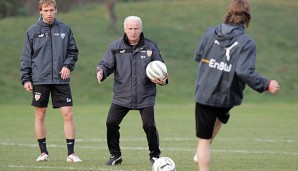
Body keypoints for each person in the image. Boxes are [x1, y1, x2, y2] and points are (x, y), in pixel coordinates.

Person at [193, 0, 280, 170]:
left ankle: (203, 150)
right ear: (247, 17)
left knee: (203, 142)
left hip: (205, 92)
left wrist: (215, 62)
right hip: (227, 96)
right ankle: (203, 150)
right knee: (218, 119)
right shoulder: (247, 42)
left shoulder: (211, 32)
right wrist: (267, 84)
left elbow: (199, 56)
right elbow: (244, 71)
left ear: (229, 12)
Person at [96, 16, 168, 166]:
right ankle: (115, 155)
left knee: (149, 125)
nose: (133, 32)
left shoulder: (150, 47)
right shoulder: (115, 46)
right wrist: (101, 71)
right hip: (122, 95)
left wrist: (163, 80)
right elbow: (106, 64)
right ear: (125, 29)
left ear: (141, 29)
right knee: (111, 122)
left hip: (145, 95)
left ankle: (155, 156)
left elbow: (161, 68)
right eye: (130, 28)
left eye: (136, 28)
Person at [20, 0, 81, 163]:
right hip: (40, 78)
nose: (49, 13)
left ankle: (71, 154)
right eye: (45, 10)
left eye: (51, 10)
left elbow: (73, 51)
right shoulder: (32, 31)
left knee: (68, 113)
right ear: (40, 11)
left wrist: (68, 65)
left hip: (61, 79)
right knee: (40, 113)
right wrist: (26, 78)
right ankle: (43, 153)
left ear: (56, 10)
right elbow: (27, 56)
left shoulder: (65, 29)